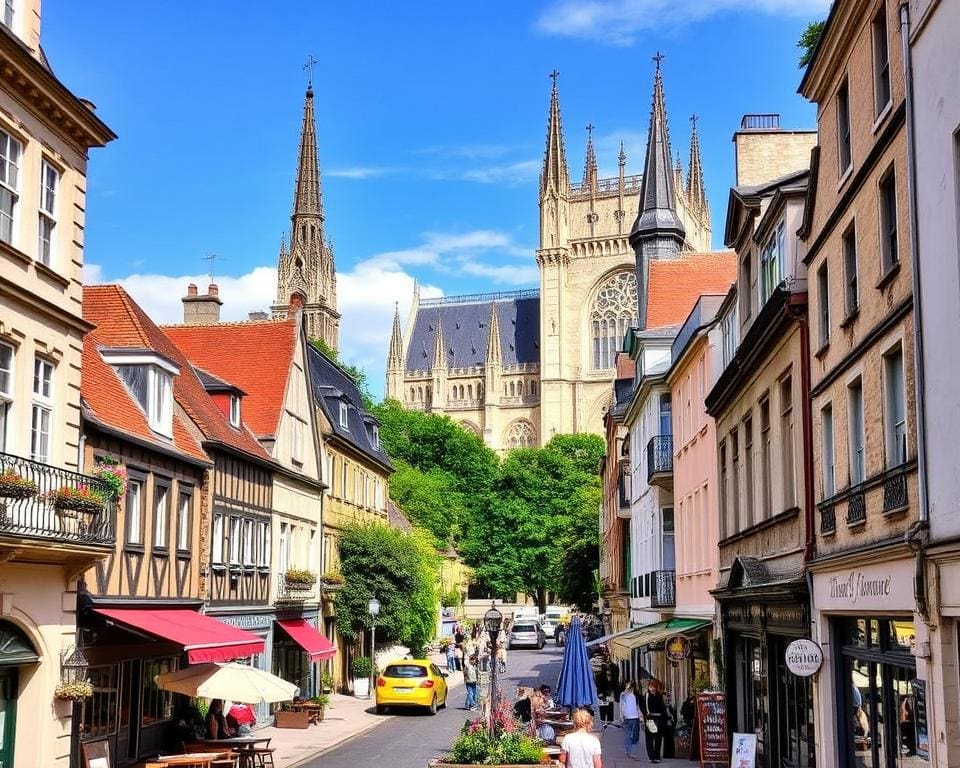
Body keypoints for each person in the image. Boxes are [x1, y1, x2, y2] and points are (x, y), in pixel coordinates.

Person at [639, 680, 667, 764]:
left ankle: (657, 755)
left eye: (654, 687)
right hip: (650, 718)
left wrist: (664, 717)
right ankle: (651, 756)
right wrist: (646, 716)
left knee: (658, 738)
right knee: (650, 738)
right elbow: (644, 706)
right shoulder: (647, 695)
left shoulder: (659, 695)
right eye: (651, 687)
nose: (653, 689)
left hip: (659, 718)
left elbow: (662, 707)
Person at [619, 681, 641, 760]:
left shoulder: (635, 696)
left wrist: (641, 717)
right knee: (630, 736)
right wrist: (621, 717)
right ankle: (631, 752)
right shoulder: (624, 695)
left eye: (627, 686)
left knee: (632, 736)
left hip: (634, 717)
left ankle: (630, 751)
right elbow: (621, 706)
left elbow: (638, 707)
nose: (626, 688)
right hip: (629, 718)